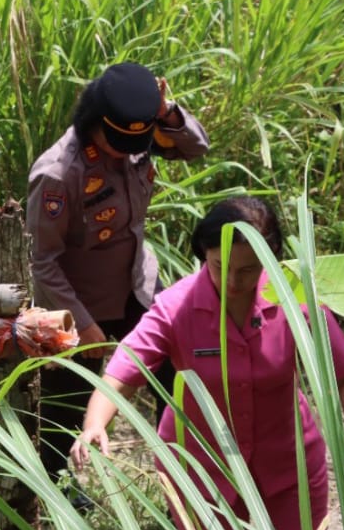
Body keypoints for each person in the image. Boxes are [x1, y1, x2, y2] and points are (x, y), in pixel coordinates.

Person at [70, 198, 344, 530]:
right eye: (218, 265)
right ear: (203, 255)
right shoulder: (177, 307)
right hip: (201, 470)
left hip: (289, 465)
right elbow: (122, 370)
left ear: (269, 257)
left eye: (246, 270)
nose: (232, 280)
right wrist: (95, 424)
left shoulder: (294, 299)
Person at [28, 62, 210, 491]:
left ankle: (196, 481)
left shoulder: (137, 142)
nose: (127, 151)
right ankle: (57, 492)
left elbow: (195, 146)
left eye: (138, 140)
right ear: (95, 123)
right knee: (64, 407)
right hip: (80, 306)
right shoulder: (58, 174)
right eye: (118, 141)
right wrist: (82, 324)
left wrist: (167, 112)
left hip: (139, 290)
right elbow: (43, 262)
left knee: (181, 384)